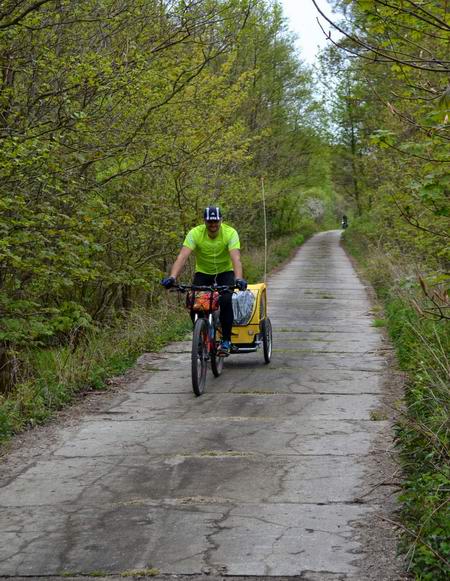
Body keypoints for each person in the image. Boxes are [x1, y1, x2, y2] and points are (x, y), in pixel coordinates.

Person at [161, 206, 247, 356]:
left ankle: (226, 341)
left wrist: (238, 278)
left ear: (221, 220)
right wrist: (172, 277)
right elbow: (182, 257)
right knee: (195, 302)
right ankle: (202, 334)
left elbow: (236, 258)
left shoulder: (230, 233)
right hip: (203, 272)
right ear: (204, 221)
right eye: (209, 222)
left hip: (224, 272)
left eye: (216, 222)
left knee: (226, 300)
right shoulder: (195, 233)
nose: (213, 225)